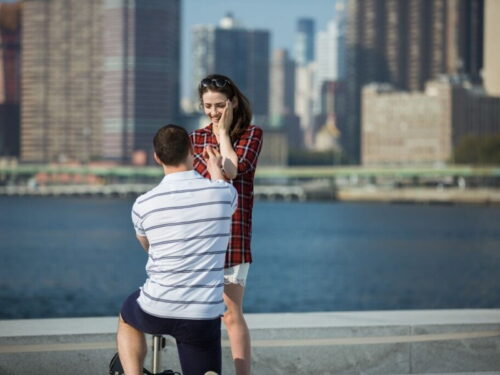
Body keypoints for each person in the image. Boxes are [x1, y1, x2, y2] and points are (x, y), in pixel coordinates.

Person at [116, 124, 237, 375]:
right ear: (191, 151)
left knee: (127, 316)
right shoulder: (223, 194)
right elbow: (224, 192)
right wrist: (215, 171)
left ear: (156, 157)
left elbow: (149, 247)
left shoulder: (143, 204)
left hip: (156, 307)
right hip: (202, 314)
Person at [190, 74, 263, 375]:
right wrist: (216, 164)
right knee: (199, 315)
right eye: (208, 106)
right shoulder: (194, 139)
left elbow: (232, 170)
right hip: (202, 237)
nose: (213, 112)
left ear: (232, 103)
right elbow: (203, 183)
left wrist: (222, 134)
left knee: (231, 314)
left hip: (234, 236)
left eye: (220, 105)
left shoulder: (252, 134)